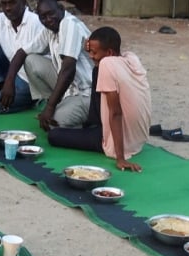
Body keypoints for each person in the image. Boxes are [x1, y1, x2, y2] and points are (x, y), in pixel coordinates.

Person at [47, 27, 150, 173]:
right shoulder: (131, 58)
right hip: (138, 140)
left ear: (109, 53)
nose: (90, 56)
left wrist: (120, 158)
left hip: (117, 141)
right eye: (89, 51)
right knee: (96, 70)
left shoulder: (106, 64)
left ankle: (95, 131)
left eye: (94, 52)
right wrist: (92, 49)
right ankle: (92, 126)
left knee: (54, 135)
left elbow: (116, 113)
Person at [21, 0, 94, 131]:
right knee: (31, 60)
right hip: (70, 89)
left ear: (60, 9)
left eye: (51, 14)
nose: (48, 20)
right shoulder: (50, 29)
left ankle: (89, 125)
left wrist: (50, 108)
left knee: (51, 125)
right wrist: (8, 83)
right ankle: (59, 105)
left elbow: (68, 70)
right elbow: (23, 52)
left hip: (87, 93)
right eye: (43, 17)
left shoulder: (69, 23)